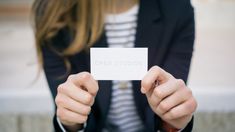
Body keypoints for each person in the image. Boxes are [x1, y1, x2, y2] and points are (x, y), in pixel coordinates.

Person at [33, 0, 197, 131]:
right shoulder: (53, 14)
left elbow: (170, 107)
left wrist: (173, 122)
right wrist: (70, 122)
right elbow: (67, 107)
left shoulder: (177, 9)